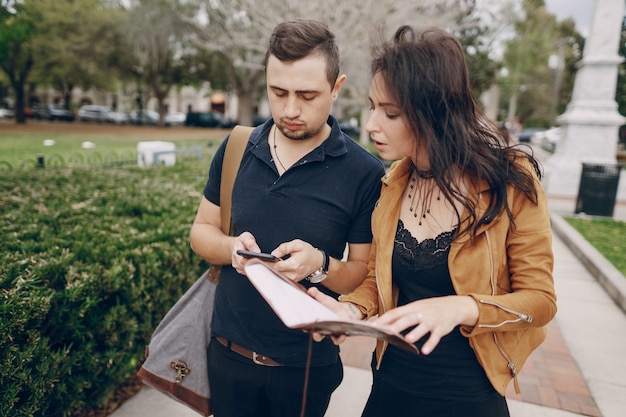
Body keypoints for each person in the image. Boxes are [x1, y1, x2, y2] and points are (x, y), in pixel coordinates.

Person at [310, 26, 557, 417]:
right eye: (373, 107)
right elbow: (377, 278)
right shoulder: (390, 184)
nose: (372, 124)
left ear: (435, 112)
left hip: (468, 396)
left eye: (390, 112)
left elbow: (541, 302)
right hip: (390, 386)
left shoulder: (509, 182)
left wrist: (461, 308)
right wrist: (350, 311)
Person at [189, 18, 386, 417]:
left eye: (307, 95)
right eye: (278, 92)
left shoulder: (364, 173)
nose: (290, 109)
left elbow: (362, 273)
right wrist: (232, 250)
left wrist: (319, 265)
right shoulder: (237, 146)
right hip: (228, 356)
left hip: (306, 367)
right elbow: (200, 233)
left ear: (337, 88)